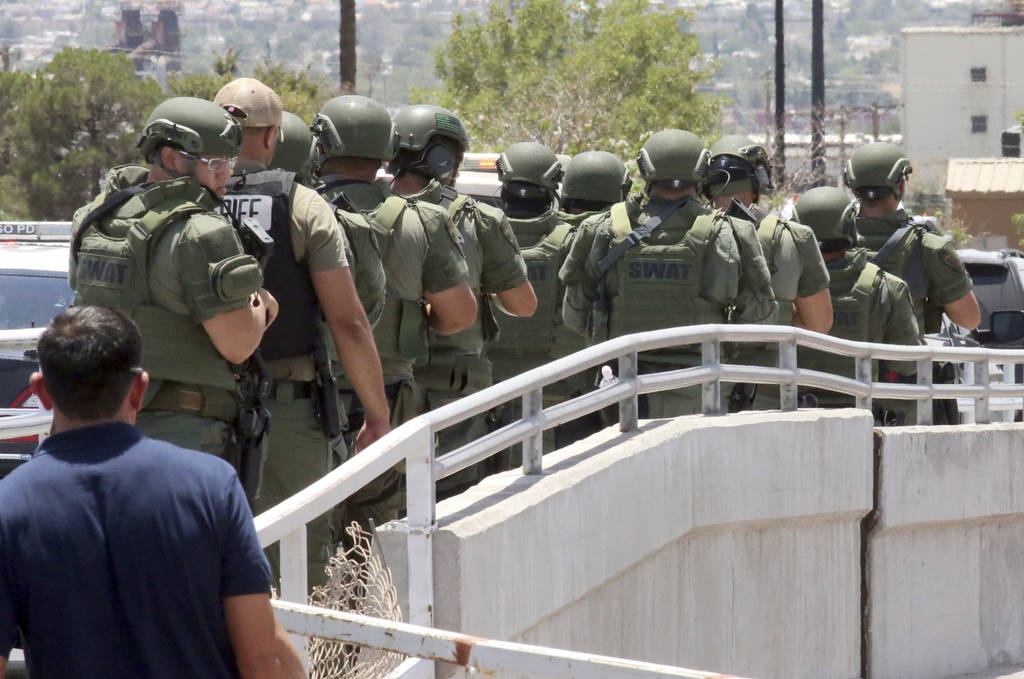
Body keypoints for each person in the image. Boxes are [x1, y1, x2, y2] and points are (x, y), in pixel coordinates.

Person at [0, 306, 304, 679]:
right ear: (139, 388)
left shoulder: (9, 506)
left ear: (40, 391)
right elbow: (262, 658)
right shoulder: (212, 487)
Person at [215, 77, 390, 588]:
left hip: (195, 407)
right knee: (294, 564)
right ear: (273, 138)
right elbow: (349, 321)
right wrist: (377, 416)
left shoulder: (182, 202)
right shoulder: (304, 205)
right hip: (285, 411)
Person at [69, 97, 278, 469]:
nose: (224, 175)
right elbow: (238, 345)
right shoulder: (201, 232)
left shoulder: (95, 218)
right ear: (170, 158)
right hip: (180, 436)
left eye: (229, 162)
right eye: (214, 163)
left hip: (94, 424)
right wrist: (263, 305)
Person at [311, 94, 476, 528]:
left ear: (321, 146)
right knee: (373, 536)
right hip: (386, 403)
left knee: (302, 535)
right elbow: (458, 316)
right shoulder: (421, 219)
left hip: (303, 400)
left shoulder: (295, 211)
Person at [559, 128, 777, 418]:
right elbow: (761, 316)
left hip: (624, 390)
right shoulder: (733, 231)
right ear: (703, 171)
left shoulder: (602, 229)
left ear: (645, 169)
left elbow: (574, 317)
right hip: (703, 388)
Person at [390, 104, 536, 496]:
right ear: (447, 159)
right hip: (453, 391)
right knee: (453, 504)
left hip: (378, 386)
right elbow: (523, 305)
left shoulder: (363, 211)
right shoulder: (479, 218)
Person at [844, 141, 980, 423]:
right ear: (901, 187)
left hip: (838, 384)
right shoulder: (927, 246)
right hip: (905, 391)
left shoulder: (826, 244)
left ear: (853, 187)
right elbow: (970, 319)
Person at [704, 135, 832, 411]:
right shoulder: (792, 237)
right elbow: (819, 324)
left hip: (697, 388)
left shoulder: (687, 234)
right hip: (770, 393)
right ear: (757, 180)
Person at [792, 187, 921, 424]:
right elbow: (907, 364)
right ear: (850, 226)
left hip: (791, 421)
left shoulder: (782, 289)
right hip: (863, 421)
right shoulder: (887, 287)